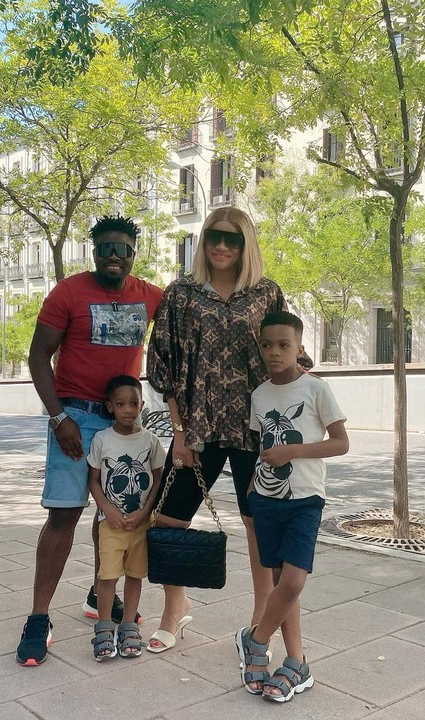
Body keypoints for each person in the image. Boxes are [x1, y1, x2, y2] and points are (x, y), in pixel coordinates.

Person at [16, 215, 163, 666]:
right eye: (105, 248)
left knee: (114, 516)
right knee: (64, 515)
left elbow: (197, 327)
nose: (114, 257)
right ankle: (38, 618)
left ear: (134, 253)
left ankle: (101, 597)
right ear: (93, 251)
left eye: (123, 249)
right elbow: (38, 356)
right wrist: (58, 416)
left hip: (124, 422)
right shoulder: (68, 293)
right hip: (74, 417)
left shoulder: (150, 296)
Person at [145, 206, 286, 653]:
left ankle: (261, 622)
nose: (222, 246)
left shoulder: (266, 294)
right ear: (203, 240)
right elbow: (163, 364)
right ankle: (175, 610)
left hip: (254, 429)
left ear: (246, 245)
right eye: (214, 237)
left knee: (258, 523)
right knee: (170, 518)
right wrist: (178, 432)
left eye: (233, 239)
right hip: (196, 427)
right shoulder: (181, 294)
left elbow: (285, 353)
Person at [237, 311, 348, 703]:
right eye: (267, 345)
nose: (274, 352)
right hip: (265, 501)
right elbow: (261, 446)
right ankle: (296, 662)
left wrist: (293, 451)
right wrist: (251, 490)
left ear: (299, 347)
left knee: (294, 581)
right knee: (282, 585)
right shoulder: (260, 394)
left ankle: (255, 640)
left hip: (305, 501)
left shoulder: (316, 389)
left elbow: (341, 443)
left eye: (283, 345)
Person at [87, 375, 165, 660]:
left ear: (142, 405)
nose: (128, 410)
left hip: (140, 525)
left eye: (134, 403)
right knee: (107, 576)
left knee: (135, 574)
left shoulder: (150, 441)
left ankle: (129, 625)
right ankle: (104, 627)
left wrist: (145, 511)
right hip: (110, 524)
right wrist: (106, 508)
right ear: (110, 406)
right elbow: (94, 480)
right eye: (120, 404)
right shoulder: (102, 440)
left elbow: (158, 479)